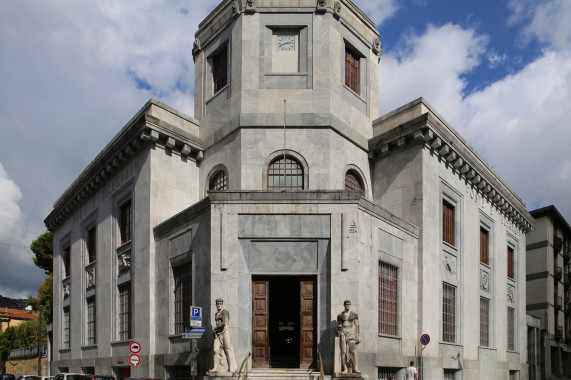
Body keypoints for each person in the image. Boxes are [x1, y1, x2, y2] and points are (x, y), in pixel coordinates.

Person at [211, 298, 238, 373]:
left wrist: (214, 329)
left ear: (222, 304)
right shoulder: (216, 314)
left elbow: (223, 323)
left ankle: (231, 367)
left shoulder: (225, 312)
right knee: (215, 350)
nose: (219, 305)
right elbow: (217, 323)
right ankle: (215, 367)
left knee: (227, 349)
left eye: (220, 304)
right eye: (218, 304)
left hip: (225, 332)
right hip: (218, 334)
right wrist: (215, 332)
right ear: (216, 305)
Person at [336, 300, 360, 373]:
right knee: (343, 351)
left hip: (350, 332)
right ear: (344, 305)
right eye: (346, 304)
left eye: (349, 304)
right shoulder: (340, 315)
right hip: (343, 332)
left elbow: (357, 326)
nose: (348, 305)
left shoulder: (354, 314)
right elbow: (337, 325)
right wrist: (338, 328)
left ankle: (355, 368)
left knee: (353, 351)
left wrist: (357, 337)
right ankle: (345, 368)